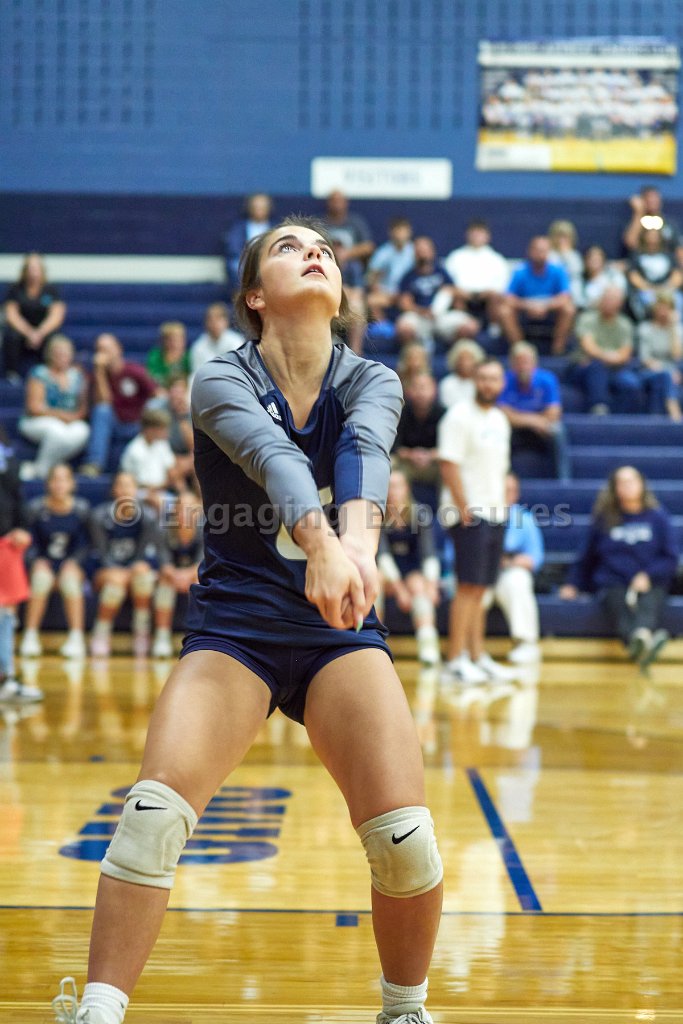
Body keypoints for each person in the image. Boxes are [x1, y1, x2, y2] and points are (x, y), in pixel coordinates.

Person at [52, 217, 443, 1024]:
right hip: (237, 629)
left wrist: (357, 550)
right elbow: (276, 459)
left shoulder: (372, 378)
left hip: (338, 636)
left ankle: (404, 1010)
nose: (315, 252)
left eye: (323, 248)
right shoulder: (218, 378)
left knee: (405, 840)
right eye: (288, 247)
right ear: (255, 296)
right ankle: (97, 1010)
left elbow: (364, 455)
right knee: (150, 820)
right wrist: (321, 547)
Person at [438, 358, 516, 685]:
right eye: (483, 378)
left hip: (495, 512)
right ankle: (455, 660)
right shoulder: (458, 416)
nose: (488, 384)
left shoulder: (500, 419)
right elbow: (448, 463)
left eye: (494, 378)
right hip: (469, 513)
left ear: (502, 383)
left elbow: (501, 469)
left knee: (481, 588)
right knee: (467, 586)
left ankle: (477, 655)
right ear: (474, 381)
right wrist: (463, 506)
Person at [559, 465, 678, 672]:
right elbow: (586, 557)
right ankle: (641, 641)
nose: (628, 486)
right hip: (613, 581)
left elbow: (670, 557)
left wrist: (648, 575)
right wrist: (572, 584)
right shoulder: (604, 519)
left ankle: (639, 639)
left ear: (642, 485)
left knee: (650, 600)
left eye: (632, 481)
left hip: (649, 581)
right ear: (614, 489)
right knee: (616, 600)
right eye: (622, 482)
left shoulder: (658, 517)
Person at [87, 472, 169, 659]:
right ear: (114, 489)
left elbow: (144, 554)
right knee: (115, 584)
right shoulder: (99, 515)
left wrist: (132, 569)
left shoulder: (147, 516)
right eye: (120, 485)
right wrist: (118, 571)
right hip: (105, 570)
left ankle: (141, 632)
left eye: (129, 485)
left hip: (132, 571)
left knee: (143, 578)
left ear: (136, 490)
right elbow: (101, 554)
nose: (125, 490)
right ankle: (101, 633)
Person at [19, 464, 90, 660]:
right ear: (48, 483)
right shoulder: (35, 508)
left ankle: (76, 637)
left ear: (72, 484)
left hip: (70, 565)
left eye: (64, 479)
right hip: (44, 564)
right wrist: (36, 560)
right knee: (41, 579)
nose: (59, 484)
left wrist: (75, 562)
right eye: (55, 480)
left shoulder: (81, 509)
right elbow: (28, 541)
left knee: (71, 581)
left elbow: (88, 544)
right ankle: (30, 635)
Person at [377, 470, 441, 666]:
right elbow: (383, 556)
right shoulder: (377, 515)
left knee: (419, 585)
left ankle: (428, 646)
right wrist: (399, 589)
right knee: (375, 579)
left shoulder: (419, 514)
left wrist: (431, 584)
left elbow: (429, 554)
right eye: (389, 487)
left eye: (398, 486)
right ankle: (375, 644)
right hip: (387, 574)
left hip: (412, 571)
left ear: (406, 488)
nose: (393, 491)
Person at [483, 473, 544, 664]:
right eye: (503, 490)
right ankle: (468, 648)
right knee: (471, 588)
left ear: (517, 494)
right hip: (480, 575)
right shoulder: (478, 516)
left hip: (506, 575)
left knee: (518, 580)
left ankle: (526, 643)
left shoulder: (524, 519)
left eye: (511, 490)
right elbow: (454, 556)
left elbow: (535, 558)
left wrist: (508, 562)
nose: (507, 494)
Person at [0, 425, 40, 702]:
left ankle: (7, 678)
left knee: (6, 613)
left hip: (5, 544)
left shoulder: (7, 458)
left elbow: (16, 497)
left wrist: (22, 528)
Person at [79, 333, 157, 476]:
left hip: (137, 424)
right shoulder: (96, 375)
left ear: (118, 349)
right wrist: (99, 372)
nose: (103, 354)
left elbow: (156, 394)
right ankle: (94, 463)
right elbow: (104, 401)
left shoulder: (134, 371)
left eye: (107, 349)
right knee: (102, 411)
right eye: (100, 350)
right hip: (114, 423)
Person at [18, 334, 90, 480]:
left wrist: (74, 417)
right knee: (56, 431)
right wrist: (62, 416)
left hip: (69, 422)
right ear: (49, 355)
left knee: (83, 431)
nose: (61, 357)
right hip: (38, 420)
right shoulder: (39, 373)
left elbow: (82, 408)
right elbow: (34, 407)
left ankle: (38, 467)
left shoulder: (77, 375)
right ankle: (43, 471)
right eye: (58, 353)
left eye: (65, 353)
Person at [498, 341, 570, 480]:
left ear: (534, 364)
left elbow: (554, 412)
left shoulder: (547, 379)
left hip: (542, 428)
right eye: (519, 362)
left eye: (526, 362)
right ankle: (505, 477)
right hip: (516, 428)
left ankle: (562, 480)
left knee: (558, 431)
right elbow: (503, 413)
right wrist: (533, 421)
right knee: (499, 429)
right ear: (512, 365)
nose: (523, 367)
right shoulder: (504, 380)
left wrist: (522, 418)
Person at [396, 237, 479, 350]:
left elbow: (456, 291)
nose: (423, 254)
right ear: (414, 254)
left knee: (471, 326)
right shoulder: (409, 276)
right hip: (420, 316)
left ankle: (452, 352)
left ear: (432, 252)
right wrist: (422, 311)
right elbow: (404, 303)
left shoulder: (441, 272)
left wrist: (448, 294)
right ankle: (417, 352)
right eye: (419, 251)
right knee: (403, 328)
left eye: (425, 251)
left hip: (441, 316)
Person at [497, 235, 575, 354]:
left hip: (551, 310)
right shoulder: (520, 271)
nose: (540, 254)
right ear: (530, 251)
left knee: (568, 309)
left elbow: (565, 297)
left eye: (543, 251)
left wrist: (545, 306)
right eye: (537, 250)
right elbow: (508, 298)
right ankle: (520, 349)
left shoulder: (558, 270)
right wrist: (529, 306)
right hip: (525, 310)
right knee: (504, 310)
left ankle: (557, 350)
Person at [322, 190, 375, 354]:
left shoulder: (353, 266)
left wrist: (346, 255)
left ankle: (356, 354)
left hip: (349, 297)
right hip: (323, 293)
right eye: (333, 200)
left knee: (357, 305)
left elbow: (368, 246)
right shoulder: (321, 223)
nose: (337, 204)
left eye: (340, 200)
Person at [151, 490, 203, 659]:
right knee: (164, 581)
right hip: (171, 576)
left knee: (199, 580)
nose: (185, 513)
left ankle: (197, 636)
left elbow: (202, 562)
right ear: (174, 511)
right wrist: (175, 575)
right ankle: (162, 637)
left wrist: (187, 575)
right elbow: (164, 564)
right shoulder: (163, 529)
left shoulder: (207, 529)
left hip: (193, 575)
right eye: (181, 508)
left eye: (190, 509)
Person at [571, 287, 639, 415]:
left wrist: (606, 357)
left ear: (620, 303)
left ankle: (621, 420)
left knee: (630, 383)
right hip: (585, 367)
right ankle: (599, 410)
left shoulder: (625, 324)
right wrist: (610, 356)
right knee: (596, 367)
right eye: (607, 299)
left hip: (614, 369)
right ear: (601, 300)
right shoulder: (587, 318)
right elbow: (589, 348)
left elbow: (625, 355)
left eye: (613, 300)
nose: (609, 303)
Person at [2, 252, 66, 381]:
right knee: (11, 336)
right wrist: (29, 333)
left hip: (43, 331)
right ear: (25, 270)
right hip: (22, 332)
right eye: (30, 268)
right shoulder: (15, 289)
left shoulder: (51, 290)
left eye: (36, 268)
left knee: (53, 338)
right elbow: (11, 315)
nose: (33, 272)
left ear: (42, 270)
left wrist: (39, 333)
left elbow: (56, 315)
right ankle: (12, 374)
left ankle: (47, 375)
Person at [443, 220, 510, 328]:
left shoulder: (497, 259)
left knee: (495, 297)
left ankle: (493, 330)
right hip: (462, 296)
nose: (476, 236)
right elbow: (447, 281)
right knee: (455, 295)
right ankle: (462, 327)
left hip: (487, 298)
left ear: (487, 236)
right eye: (473, 233)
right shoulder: (455, 257)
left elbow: (502, 286)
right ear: (467, 235)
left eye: (480, 233)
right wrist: (461, 292)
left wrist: (487, 293)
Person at [118, 407, 183, 509]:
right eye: (162, 429)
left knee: (184, 504)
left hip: (162, 492)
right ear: (150, 430)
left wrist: (183, 493)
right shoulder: (134, 450)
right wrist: (152, 491)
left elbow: (172, 471)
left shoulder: (162, 444)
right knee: (160, 504)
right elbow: (130, 482)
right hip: (139, 493)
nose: (166, 433)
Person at [392, 371, 445, 489]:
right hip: (406, 462)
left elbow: (449, 447)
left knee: (451, 468)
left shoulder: (444, 414)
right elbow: (393, 445)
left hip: (435, 463)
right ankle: (402, 501)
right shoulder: (399, 413)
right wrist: (411, 455)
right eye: (416, 387)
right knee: (389, 465)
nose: (420, 392)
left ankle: (450, 501)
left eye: (424, 387)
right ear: (408, 391)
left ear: (434, 390)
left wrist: (429, 455)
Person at [637, 290, 683, 421]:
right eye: (660, 308)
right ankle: (675, 414)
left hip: (674, 372)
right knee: (666, 376)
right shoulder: (645, 328)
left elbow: (677, 356)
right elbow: (645, 359)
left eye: (667, 308)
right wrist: (667, 371)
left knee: (666, 378)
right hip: (650, 372)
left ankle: (657, 420)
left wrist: (673, 327)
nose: (663, 312)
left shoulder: (677, 330)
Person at [627, 228, 683, 322]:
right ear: (644, 237)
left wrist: (667, 288)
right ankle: (647, 326)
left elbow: (677, 275)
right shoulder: (637, 255)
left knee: (678, 299)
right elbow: (633, 276)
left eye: (655, 235)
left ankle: (677, 327)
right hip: (646, 290)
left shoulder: (668, 255)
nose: (652, 238)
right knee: (644, 299)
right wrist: (649, 288)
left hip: (667, 290)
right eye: (650, 235)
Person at [223, 192, 274, 293]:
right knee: (235, 265)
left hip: (269, 260)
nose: (259, 210)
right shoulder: (238, 228)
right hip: (246, 261)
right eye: (256, 207)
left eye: (262, 207)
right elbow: (233, 248)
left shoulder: (276, 227)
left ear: (269, 208)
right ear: (249, 208)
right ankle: (245, 295)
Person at [622, 184, 683, 261]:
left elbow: (679, 249)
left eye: (655, 198)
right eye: (649, 198)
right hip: (639, 264)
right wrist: (639, 212)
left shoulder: (669, 224)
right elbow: (630, 243)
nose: (652, 201)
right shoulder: (635, 223)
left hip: (666, 264)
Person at [366, 216, 415, 308]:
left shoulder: (415, 251)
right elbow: (371, 278)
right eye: (398, 230)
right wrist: (377, 288)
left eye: (403, 230)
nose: (400, 234)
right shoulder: (382, 252)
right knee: (370, 300)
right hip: (386, 294)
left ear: (409, 232)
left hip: (409, 294)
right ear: (391, 232)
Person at [188, 302, 244, 382]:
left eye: (218, 319)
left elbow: (238, 371)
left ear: (226, 321)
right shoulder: (198, 346)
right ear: (206, 323)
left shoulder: (236, 342)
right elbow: (196, 374)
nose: (214, 323)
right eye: (210, 319)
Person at [437, 339, 485, 409]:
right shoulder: (447, 383)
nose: (465, 363)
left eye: (469, 358)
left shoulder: (481, 383)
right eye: (462, 359)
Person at [577, 245, 628, 310]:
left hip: (615, 311)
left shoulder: (613, 275)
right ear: (585, 261)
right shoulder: (581, 281)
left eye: (597, 258)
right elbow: (580, 302)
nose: (594, 261)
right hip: (590, 312)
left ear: (603, 260)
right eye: (591, 258)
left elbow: (621, 293)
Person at [548, 219, 584, 307]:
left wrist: (565, 254)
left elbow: (576, 273)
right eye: (559, 236)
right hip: (552, 296)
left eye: (565, 237)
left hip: (574, 297)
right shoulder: (549, 255)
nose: (562, 240)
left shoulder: (575, 256)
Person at [146, 322, 191, 390]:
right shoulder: (155, 356)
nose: (174, 343)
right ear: (162, 341)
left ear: (184, 340)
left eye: (177, 340)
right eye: (170, 340)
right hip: (161, 392)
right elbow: (151, 377)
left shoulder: (189, 357)